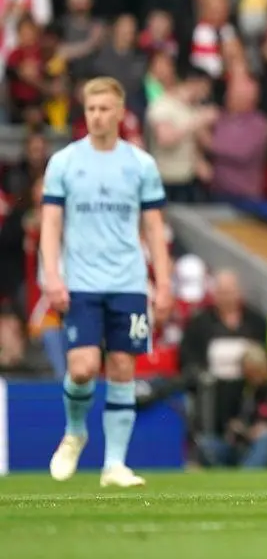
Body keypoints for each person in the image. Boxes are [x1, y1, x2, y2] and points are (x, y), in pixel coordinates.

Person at [43, 76, 174, 487]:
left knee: (121, 368)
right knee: (82, 368)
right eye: (90, 109)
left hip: (129, 281)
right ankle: (75, 431)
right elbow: (51, 223)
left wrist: (164, 283)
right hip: (81, 280)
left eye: (104, 109)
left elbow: (154, 228)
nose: (96, 117)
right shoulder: (64, 162)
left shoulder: (140, 164)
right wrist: (52, 275)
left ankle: (114, 465)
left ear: (119, 112)